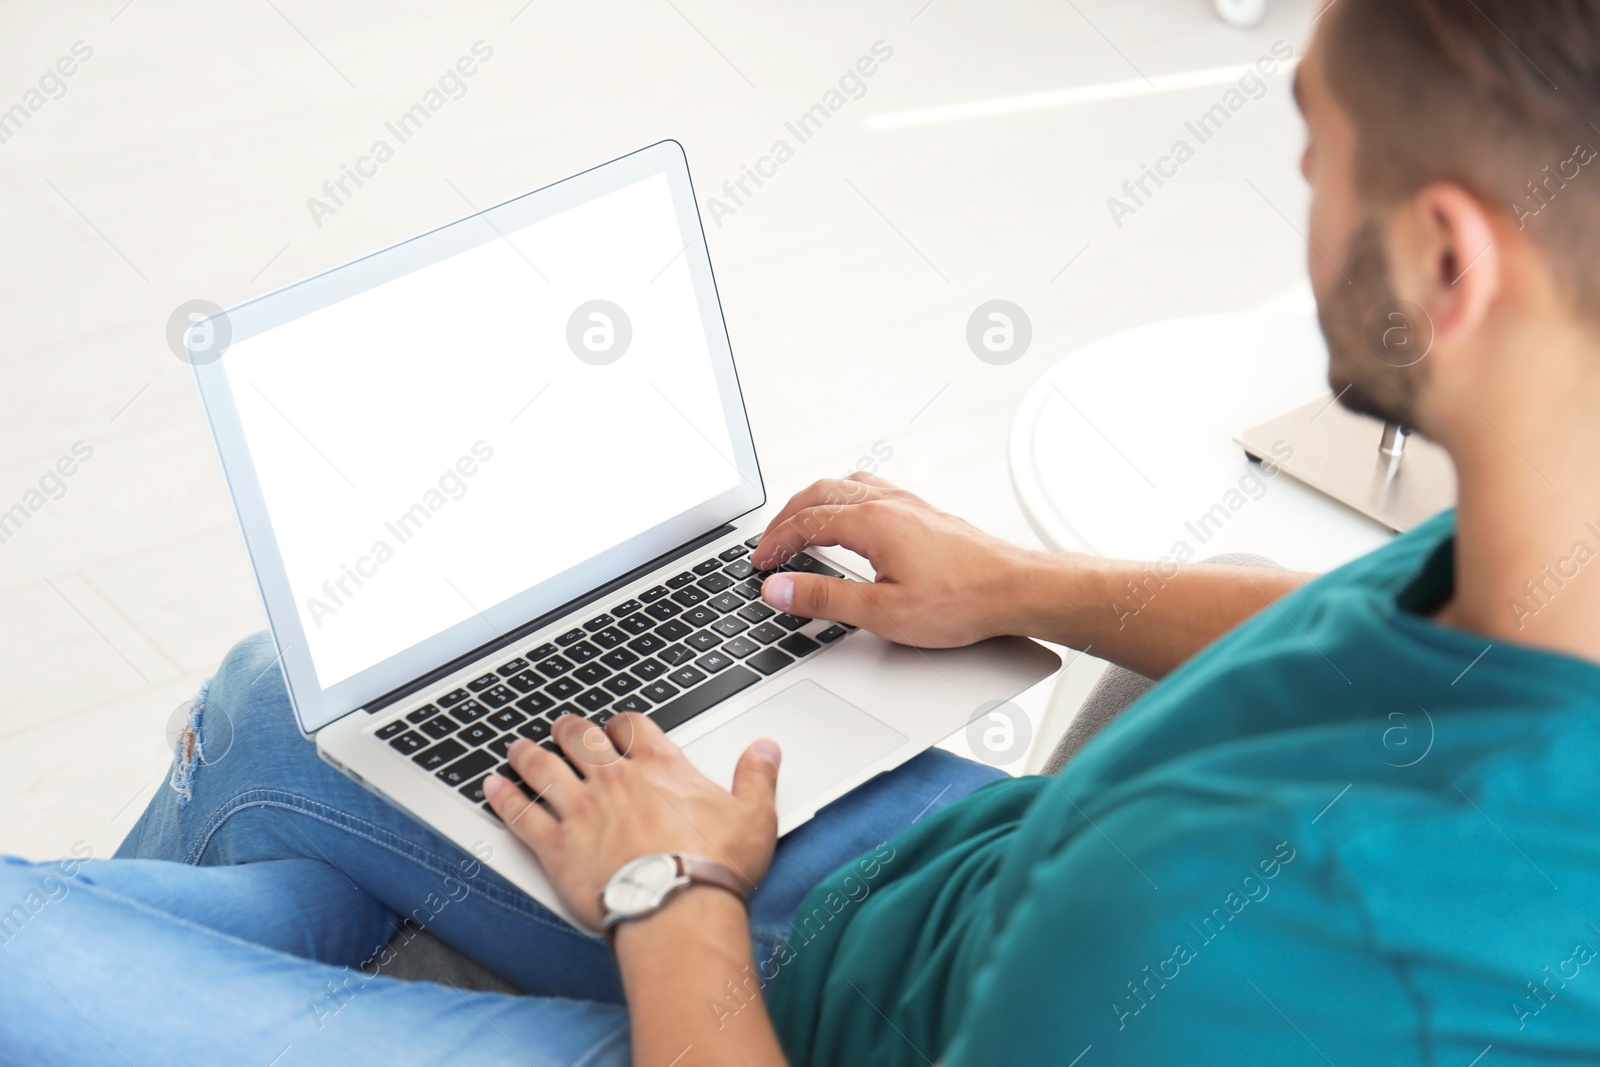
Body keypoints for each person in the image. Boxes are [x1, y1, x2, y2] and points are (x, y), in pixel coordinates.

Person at [7, 0, 1600, 1061]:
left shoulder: (1251, 943)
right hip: (933, 888)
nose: (1304, 178)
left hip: (791, 1013)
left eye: (1317, 141)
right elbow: (1364, 639)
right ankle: (320, 932)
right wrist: (1014, 579)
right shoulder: (1551, 553)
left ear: (1448, 264)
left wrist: (669, 896)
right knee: (283, 710)